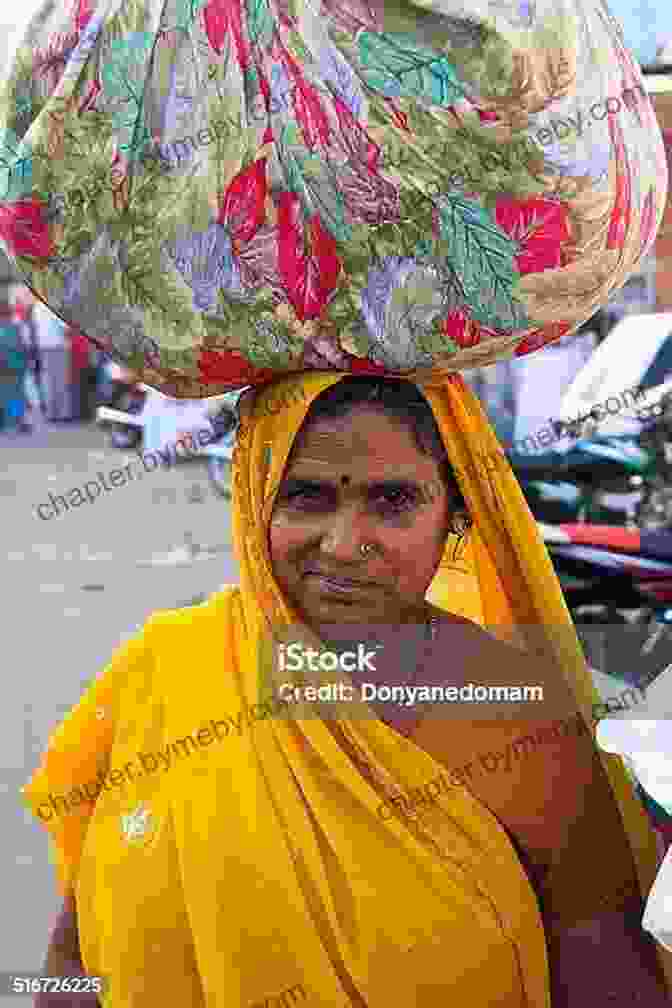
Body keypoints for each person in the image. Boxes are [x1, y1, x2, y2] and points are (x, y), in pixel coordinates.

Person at [23, 373, 672, 1007]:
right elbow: (77, 937)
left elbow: (600, 958)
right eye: (306, 496)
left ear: (455, 515)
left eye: (391, 501)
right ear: (254, 500)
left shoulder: (517, 713)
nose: (342, 544)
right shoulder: (162, 665)